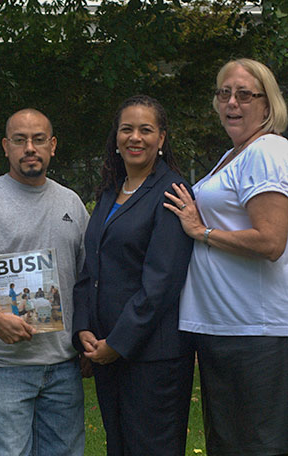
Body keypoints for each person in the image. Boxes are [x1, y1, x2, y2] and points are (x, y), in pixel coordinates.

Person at [0, 108, 89, 456]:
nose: (30, 148)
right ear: (5, 147)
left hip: (62, 365)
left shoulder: (71, 202)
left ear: (52, 146)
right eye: (20, 140)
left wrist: (86, 338)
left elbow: (87, 279)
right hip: (3, 364)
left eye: (38, 139)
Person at [164, 58, 288, 456]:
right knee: (230, 444)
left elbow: (271, 241)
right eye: (224, 94)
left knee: (256, 446)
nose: (232, 103)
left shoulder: (266, 151)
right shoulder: (235, 154)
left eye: (244, 95)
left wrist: (203, 232)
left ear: (267, 105)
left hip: (255, 331)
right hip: (226, 328)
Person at [72, 95, 195, 455]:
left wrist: (118, 343)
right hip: (106, 349)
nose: (135, 138)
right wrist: (85, 331)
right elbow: (89, 267)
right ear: (116, 138)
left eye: (146, 129)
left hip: (152, 357)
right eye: (127, 129)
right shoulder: (111, 192)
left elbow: (162, 282)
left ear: (162, 138)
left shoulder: (172, 192)